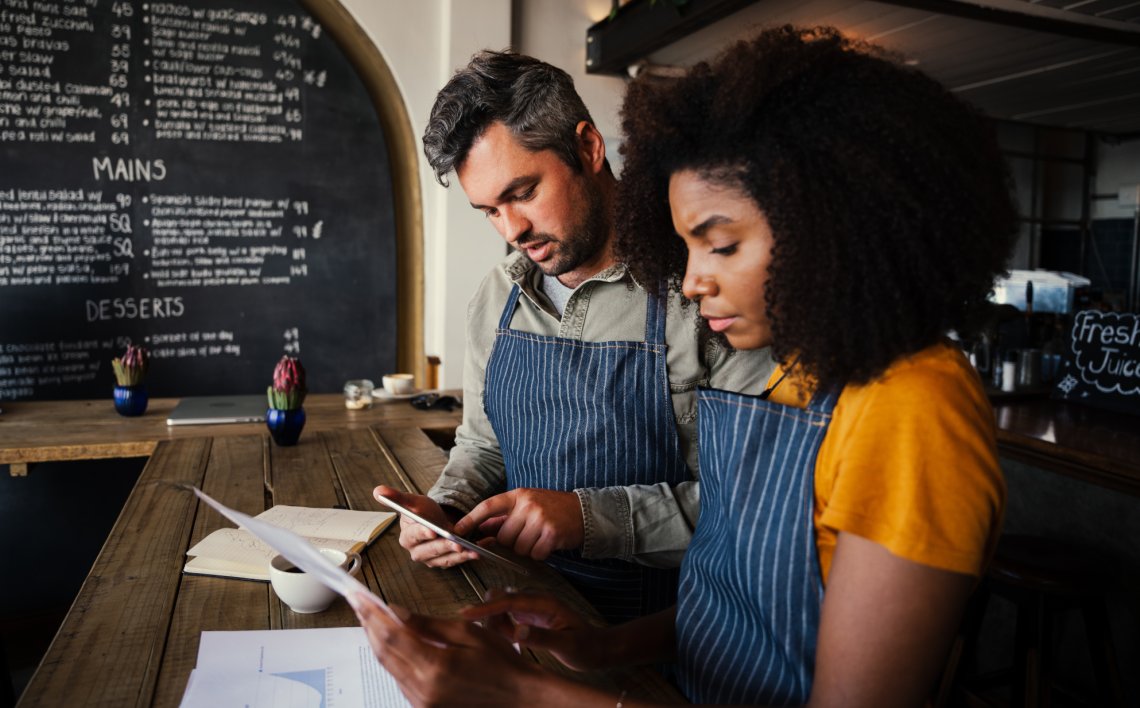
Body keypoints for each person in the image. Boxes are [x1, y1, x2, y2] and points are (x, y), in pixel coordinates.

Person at [353, 26, 1016, 707]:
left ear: (824, 223)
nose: (691, 283)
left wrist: (523, 693)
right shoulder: (800, 377)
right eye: (687, 247)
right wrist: (602, 644)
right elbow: (736, 597)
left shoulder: (916, 406)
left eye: (719, 245)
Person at [375, 50, 774, 623]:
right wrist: (446, 508)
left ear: (588, 148)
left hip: (675, 635)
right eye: (488, 210)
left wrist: (590, 518)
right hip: (525, 614)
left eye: (523, 193)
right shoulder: (497, 297)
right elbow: (483, 447)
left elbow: (754, 505)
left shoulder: (711, 292)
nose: (513, 231)